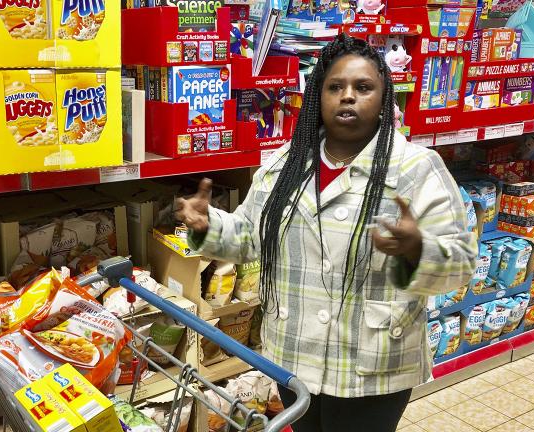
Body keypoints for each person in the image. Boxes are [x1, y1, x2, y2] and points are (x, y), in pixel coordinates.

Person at [175, 34, 478, 432]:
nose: (348, 96)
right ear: (318, 97)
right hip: (295, 353)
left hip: (373, 365)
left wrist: (418, 248)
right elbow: (249, 237)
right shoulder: (285, 164)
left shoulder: (417, 168)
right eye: (335, 87)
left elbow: (461, 265)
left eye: (363, 87)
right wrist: (208, 224)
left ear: (384, 99)